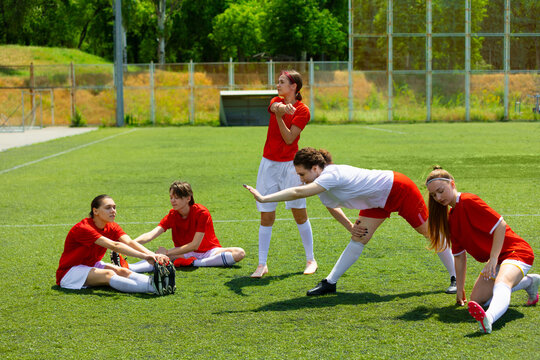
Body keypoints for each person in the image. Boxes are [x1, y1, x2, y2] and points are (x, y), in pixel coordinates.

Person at [244, 147, 457, 295]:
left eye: (302, 174)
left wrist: (264, 198)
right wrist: (350, 228)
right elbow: (332, 207)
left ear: (316, 169)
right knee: (359, 239)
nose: (301, 179)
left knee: (431, 234)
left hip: (398, 189)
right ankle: (330, 283)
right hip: (376, 201)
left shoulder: (330, 175)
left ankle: (456, 278)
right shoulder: (322, 183)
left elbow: (299, 191)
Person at [426, 167, 539, 334]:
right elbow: (459, 257)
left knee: (502, 282)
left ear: (452, 184)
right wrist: (459, 289)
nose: (438, 197)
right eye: (434, 195)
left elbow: (500, 225)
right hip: (498, 259)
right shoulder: (450, 219)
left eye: (441, 191)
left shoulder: (469, 200)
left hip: (516, 252)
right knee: (478, 300)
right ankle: (530, 282)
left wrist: (493, 259)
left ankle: (489, 318)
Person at [250, 69, 317, 278]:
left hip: (291, 167)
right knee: (266, 214)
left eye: (281, 82)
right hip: (268, 165)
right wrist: (279, 110)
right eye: (278, 82)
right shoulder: (275, 101)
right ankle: (262, 264)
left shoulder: (303, 110)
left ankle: (310, 259)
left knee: (299, 213)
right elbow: (275, 106)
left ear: (293, 86)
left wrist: (280, 117)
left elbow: (289, 139)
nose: (277, 85)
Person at [56, 195, 175, 296]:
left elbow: (129, 242)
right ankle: (153, 288)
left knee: (122, 271)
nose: (113, 210)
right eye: (108, 208)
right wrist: (145, 257)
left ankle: (155, 283)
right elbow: (114, 245)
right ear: (95, 211)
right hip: (69, 272)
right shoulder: (84, 228)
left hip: (90, 264)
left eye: (114, 207)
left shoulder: (111, 226)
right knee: (109, 274)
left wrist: (152, 255)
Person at [134, 181, 245, 268]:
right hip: (184, 253)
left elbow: (194, 245)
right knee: (159, 258)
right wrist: (129, 243)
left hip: (209, 252)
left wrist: (167, 252)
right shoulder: (172, 214)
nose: (172, 201)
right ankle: (130, 267)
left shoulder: (201, 212)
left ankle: (195, 263)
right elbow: (150, 235)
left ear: (188, 198)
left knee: (239, 253)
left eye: (176, 197)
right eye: (171, 197)